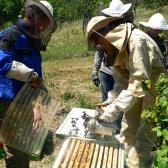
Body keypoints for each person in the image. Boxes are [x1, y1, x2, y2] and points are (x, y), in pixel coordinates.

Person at [87, 0, 165, 167]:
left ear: (106, 33)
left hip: (152, 91)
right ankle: (128, 163)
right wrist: (111, 99)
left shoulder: (136, 40)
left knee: (143, 137)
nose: (99, 45)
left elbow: (140, 83)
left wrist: (114, 109)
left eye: (99, 41)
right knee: (127, 130)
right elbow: (122, 83)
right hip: (138, 89)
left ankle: (137, 163)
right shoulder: (117, 48)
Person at [0, 0, 56, 167]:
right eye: (45, 22)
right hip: (5, 99)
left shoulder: (32, 41)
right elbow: (2, 62)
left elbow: (36, 75)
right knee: (18, 146)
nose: (45, 27)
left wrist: (43, 96)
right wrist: (31, 76)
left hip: (20, 101)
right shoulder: (12, 35)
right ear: (36, 16)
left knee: (19, 147)